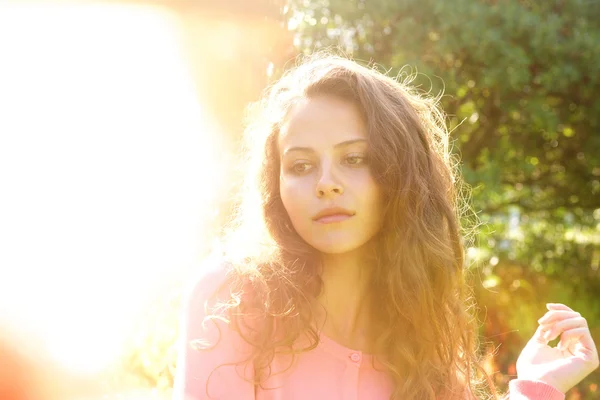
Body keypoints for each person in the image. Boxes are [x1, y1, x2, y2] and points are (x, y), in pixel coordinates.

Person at [172, 54, 599, 400]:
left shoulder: (421, 330)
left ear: (400, 173)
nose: (326, 184)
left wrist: (537, 386)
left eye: (354, 158)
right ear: (276, 186)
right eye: (301, 166)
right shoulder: (230, 298)